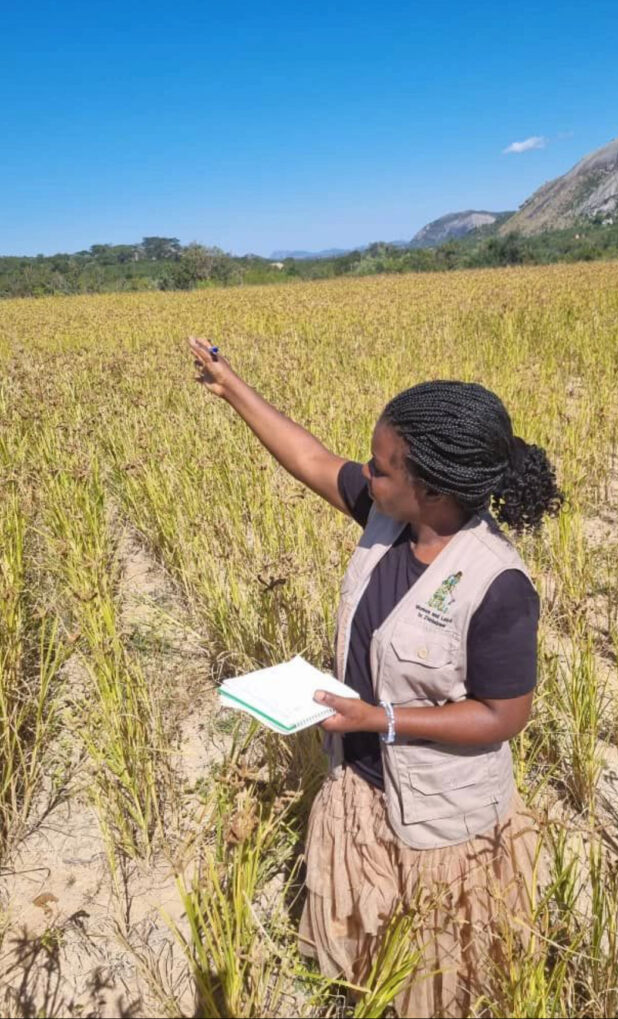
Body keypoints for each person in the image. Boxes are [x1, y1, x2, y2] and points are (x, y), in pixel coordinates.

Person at [188, 337, 563, 1018]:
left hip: (439, 811)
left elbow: (504, 716)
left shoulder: (497, 584)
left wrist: (380, 719)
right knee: (372, 962)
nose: (367, 473)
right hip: (364, 780)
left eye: (383, 468)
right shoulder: (391, 517)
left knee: (436, 975)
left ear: (436, 488)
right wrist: (231, 385)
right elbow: (312, 459)